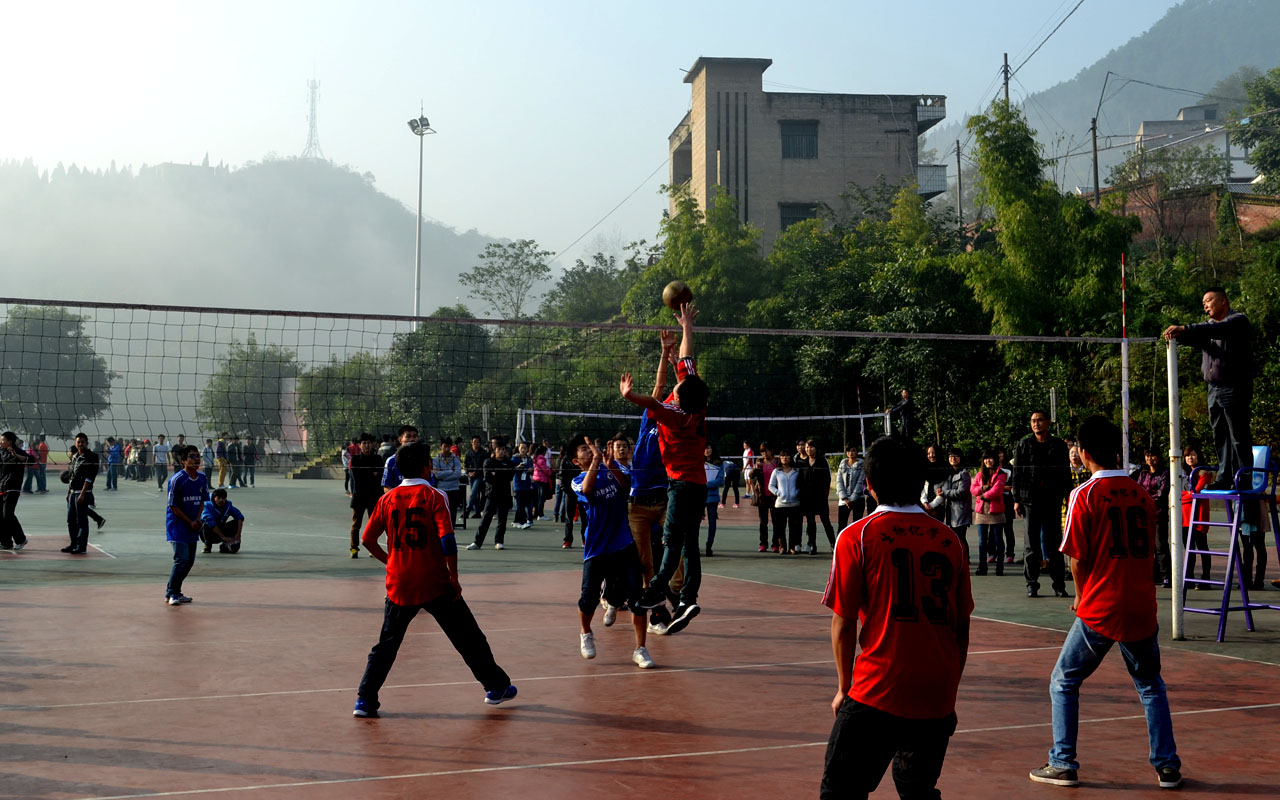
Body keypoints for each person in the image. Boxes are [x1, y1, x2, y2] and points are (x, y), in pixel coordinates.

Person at [1029, 415, 1182, 790]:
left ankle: (1062, 761)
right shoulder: (1142, 494)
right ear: (1118, 450)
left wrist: (1081, 596)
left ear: (1082, 454)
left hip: (1102, 606)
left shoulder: (1084, 495)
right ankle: (1167, 765)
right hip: (1142, 604)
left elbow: (1077, 557)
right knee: (1151, 685)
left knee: (1063, 681)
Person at [820, 435, 973, 799]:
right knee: (917, 789)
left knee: (839, 789)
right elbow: (961, 628)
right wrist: (949, 692)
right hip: (935, 694)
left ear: (869, 485)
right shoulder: (950, 540)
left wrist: (844, 687)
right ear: (921, 480)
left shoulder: (856, 537)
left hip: (878, 689)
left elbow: (843, 623)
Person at [352, 441, 517, 717]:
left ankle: (365, 699)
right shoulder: (435, 496)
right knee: (468, 637)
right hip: (435, 581)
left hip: (399, 583)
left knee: (386, 644)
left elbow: (367, 539)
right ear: (427, 467)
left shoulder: (386, 499)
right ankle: (495, 687)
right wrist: (454, 575)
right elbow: (448, 540)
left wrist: (390, 562)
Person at [624, 302, 709, 635]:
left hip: (680, 486)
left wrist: (629, 394)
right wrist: (687, 328)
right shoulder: (697, 403)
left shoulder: (673, 416)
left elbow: (650, 401)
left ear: (677, 396)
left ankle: (656, 589)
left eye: (675, 387)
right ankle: (688, 598)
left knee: (672, 541)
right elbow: (687, 362)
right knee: (689, 543)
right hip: (698, 484)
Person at [569, 434, 656, 669]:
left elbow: (626, 487)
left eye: (590, 448)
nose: (589, 451)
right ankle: (586, 633)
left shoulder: (612, 468)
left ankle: (640, 649)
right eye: (583, 450)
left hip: (623, 544)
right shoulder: (577, 479)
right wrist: (597, 463)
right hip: (597, 548)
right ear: (576, 461)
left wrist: (609, 466)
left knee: (637, 597)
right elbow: (587, 491)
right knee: (588, 599)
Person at [1163, 287, 1253, 492]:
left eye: (1209, 300)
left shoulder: (1237, 321)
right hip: (1213, 388)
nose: (1205, 305)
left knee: (1238, 435)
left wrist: (1185, 327)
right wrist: (1178, 334)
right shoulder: (1209, 327)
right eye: (1203, 302)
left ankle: (1244, 478)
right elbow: (1198, 335)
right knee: (1220, 434)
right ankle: (1225, 475)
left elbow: (1216, 330)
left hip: (1234, 386)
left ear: (1223, 301)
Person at [1014, 411, 1072, 599]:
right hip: (1030, 500)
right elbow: (1017, 474)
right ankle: (1032, 584)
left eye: (1039, 420)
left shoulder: (1058, 446)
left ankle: (1059, 585)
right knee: (1031, 545)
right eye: (1033, 421)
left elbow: (1065, 473)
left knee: (1054, 544)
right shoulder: (1024, 444)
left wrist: (1067, 495)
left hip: (1052, 500)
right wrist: (1016, 499)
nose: (1036, 424)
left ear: (1047, 422)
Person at [164, 446, 209, 604]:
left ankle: (176, 591)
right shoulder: (177, 480)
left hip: (193, 524)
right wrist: (189, 521)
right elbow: (173, 506)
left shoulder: (202, 478)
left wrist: (197, 519)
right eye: (192, 456)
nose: (196, 459)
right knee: (181, 559)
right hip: (178, 525)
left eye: (198, 456)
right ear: (183, 461)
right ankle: (171, 594)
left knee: (189, 561)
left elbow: (203, 500)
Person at [1131, 448, 1172, 588]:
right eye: (1147, 455)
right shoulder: (1143, 473)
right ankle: (1154, 575)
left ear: (1159, 457)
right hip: (1143, 515)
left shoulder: (1165, 473)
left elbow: (1163, 491)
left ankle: (1166, 575)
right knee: (1147, 547)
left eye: (1153, 455)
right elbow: (1138, 490)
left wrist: (1147, 500)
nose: (1150, 458)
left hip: (1158, 514)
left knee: (1161, 545)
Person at [468, 440, 515, 550]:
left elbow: (509, 477)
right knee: (486, 519)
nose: (501, 451)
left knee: (502, 520)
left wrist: (497, 474)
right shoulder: (488, 462)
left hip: (504, 494)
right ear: (495, 450)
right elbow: (488, 477)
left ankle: (499, 541)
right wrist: (500, 475)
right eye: (499, 449)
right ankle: (477, 543)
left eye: (503, 449)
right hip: (492, 494)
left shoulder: (509, 463)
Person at [930, 447, 972, 564]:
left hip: (960, 511)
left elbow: (961, 492)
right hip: (950, 510)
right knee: (954, 537)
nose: (953, 458)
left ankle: (965, 560)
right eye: (950, 456)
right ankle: (958, 559)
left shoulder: (965, 473)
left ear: (960, 458)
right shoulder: (948, 472)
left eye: (955, 456)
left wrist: (945, 493)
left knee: (960, 537)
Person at [1180, 446, 1213, 588]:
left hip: (1198, 514)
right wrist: (1185, 496)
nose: (1190, 458)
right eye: (1187, 456)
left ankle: (1206, 578)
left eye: (1193, 455)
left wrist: (1180, 496)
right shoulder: (1182, 473)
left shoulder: (1204, 473)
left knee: (1202, 546)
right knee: (1188, 548)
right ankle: (1189, 577)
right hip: (1184, 515)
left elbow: (1196, 492)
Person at [972, 450, 1007, 577]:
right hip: (981, 512)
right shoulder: (980, 474)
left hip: (996, 511)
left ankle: (999, 567)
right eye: (986, 458)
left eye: (991, 458)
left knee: (998, 540)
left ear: (995, 460)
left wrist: (983, 496)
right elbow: (973, 489)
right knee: (982, 541)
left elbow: (997, 490)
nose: (988, 461)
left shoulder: (1001, 474)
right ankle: (982, 566)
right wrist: (982, 489)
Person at [350, 434, 386, 559]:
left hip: (374, 496)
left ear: (373, 444)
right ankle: (354, 548)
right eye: (364, 443)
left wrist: (369, 474)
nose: (367, 445)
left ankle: (372, 548)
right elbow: (357, 478)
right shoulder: (355, 459)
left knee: (373, 524)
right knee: (356, 524)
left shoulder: (378, 459)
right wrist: (372, 474)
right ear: (359, 445)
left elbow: (380, 477)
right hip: (359, 496)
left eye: (369, 443)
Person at [63, 433, 100, 554]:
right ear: (75, 443)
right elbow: (72, 476)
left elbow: (90, 477)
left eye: (82, 442)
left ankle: (81, 546)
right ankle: (73, 543)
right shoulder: (75, 457)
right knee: (70, 520)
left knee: (82, 520)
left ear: (87, 443)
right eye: (78, 442)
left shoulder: (92, 457)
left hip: (83, 492)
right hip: (73, 492)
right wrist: (69, 492)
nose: (80, 444)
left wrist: (83, 494)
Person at [799, 439, 836, 554]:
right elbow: (800, 480)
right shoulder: (803, 463)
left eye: (811, 447)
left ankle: (833, 544)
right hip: (807, 498)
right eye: (807, 447)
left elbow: (827, 479)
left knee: (826, 521)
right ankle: (812, 545)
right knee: (810, 523)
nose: (808, 449)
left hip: (820, 497)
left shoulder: (822, 461)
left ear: (816, 448)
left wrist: (824, 493)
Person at [0, 432, 32, 551]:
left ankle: (21, 539)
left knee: (7, 514)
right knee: (1, 516)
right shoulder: (1, 452)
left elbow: (31, 460)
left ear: (10, 441)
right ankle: (5, 542)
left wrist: (16, 455)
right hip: (1, 487)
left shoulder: (19, 452)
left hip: (13, 487)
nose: (1, 442)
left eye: (3, 440)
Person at [769, 450, 802, 554]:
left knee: (794, 527)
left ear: (790, 458)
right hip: (780, 504)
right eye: (782, 456)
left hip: (794, 503)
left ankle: (792, 547)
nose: (785, 458)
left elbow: (801, 484)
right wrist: (778, 493)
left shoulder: (796, 471)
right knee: (780, 527)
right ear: (780, 458)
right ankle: (782, 546)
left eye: (787, 456)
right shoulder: (776, 471)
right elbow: (771, 485)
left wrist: (796, 492)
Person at [749, 443, 779, 553]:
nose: (764, 453)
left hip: (775, 495)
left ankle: (775, 544)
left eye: (766, 451)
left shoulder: (777, 462)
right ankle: (763, 544)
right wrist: (756, 468)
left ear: (771, 450)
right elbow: (751, 476)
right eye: (762, 451)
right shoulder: (759, 461)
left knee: (776, 522)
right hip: (762, 496)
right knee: (763, 522)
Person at [433, 438, 465, 530]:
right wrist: (451, 471)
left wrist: (443, 474)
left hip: (453, 488)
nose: (446, 449)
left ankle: (451, 528)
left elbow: (458, 473)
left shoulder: (455, 459)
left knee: (452, 511)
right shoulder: (436, 459)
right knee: (441, 511)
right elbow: (437, 475)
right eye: (444, 446)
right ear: (441, 446)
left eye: (448, 447)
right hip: (441, 489)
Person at [200, 487, 244, 554]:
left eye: (223, 498)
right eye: (218, 498)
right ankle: (207, 545)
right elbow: (210, 521)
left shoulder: (228, 505)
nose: (221, 500)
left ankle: (224, 546)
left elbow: (239, 517)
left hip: (221, 528)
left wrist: (238, 535)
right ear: (214, 498)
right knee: (207, 524)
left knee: (235, 523)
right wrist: (223, 537)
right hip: (208, 533)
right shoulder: (207, 506)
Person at [836, 444, 867, 532]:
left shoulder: (862, 464)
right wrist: (845, 498)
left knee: (856, 525)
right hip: (844, 500)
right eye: (848, 451)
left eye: (853, 450)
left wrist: (852, 499)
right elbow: (839, 481)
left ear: (857, 452)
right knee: (841, 525)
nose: (851, 453)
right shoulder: (842, 463)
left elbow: (860, 482)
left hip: (858, 499)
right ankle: (839, 545)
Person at [702, 444, 725, 557]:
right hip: (699, 496)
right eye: (705, 448)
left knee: (712, 522)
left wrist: (706, 484)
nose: (706, 450)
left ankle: (709, 546)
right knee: (694, 522)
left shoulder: (719, 463)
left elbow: (720, 480)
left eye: (709, 448)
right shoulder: (697, 461)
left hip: (712, 497)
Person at [381, 426, 419, 490]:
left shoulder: (423, 459)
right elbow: (386, 487)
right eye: (408, 436)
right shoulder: (391, 461)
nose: (412, 439)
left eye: (414, 436)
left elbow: (431, 484)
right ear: (400, 439)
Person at [512, 442, 537, 529]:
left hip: (526, 483)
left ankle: (516, 520)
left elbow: (532, 469)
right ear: (519, 449)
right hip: (518, 484)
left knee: (523, 503)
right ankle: (523, 522)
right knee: (520, 503)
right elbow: (511, 469)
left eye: (525, 448)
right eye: (521, 448)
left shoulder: (529, 459)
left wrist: (532, 470)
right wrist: (517, 467)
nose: (523, 450)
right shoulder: (515, 459)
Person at [463, 435, 488, 519]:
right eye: (474, 441)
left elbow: (485, 465)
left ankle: (467, 511)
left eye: (477, 442)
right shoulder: (468, 452)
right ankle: (477, 512)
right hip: (471, 476)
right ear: (471, 442)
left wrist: (477, 472)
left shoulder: (483, 453)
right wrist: (468, 472)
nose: (475, 443)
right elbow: (465, 465)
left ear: (479, 443)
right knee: (474, 495)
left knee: (473, 493)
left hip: (480, 476)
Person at [532, 444, 553, 521]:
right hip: (542, 480)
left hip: (537, 479)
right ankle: (540, 514)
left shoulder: (535, 458)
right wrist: (550, 472)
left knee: (539, 497)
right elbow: (546, 470)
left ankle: (538, 513)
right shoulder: (541, 459)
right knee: (542, 498)